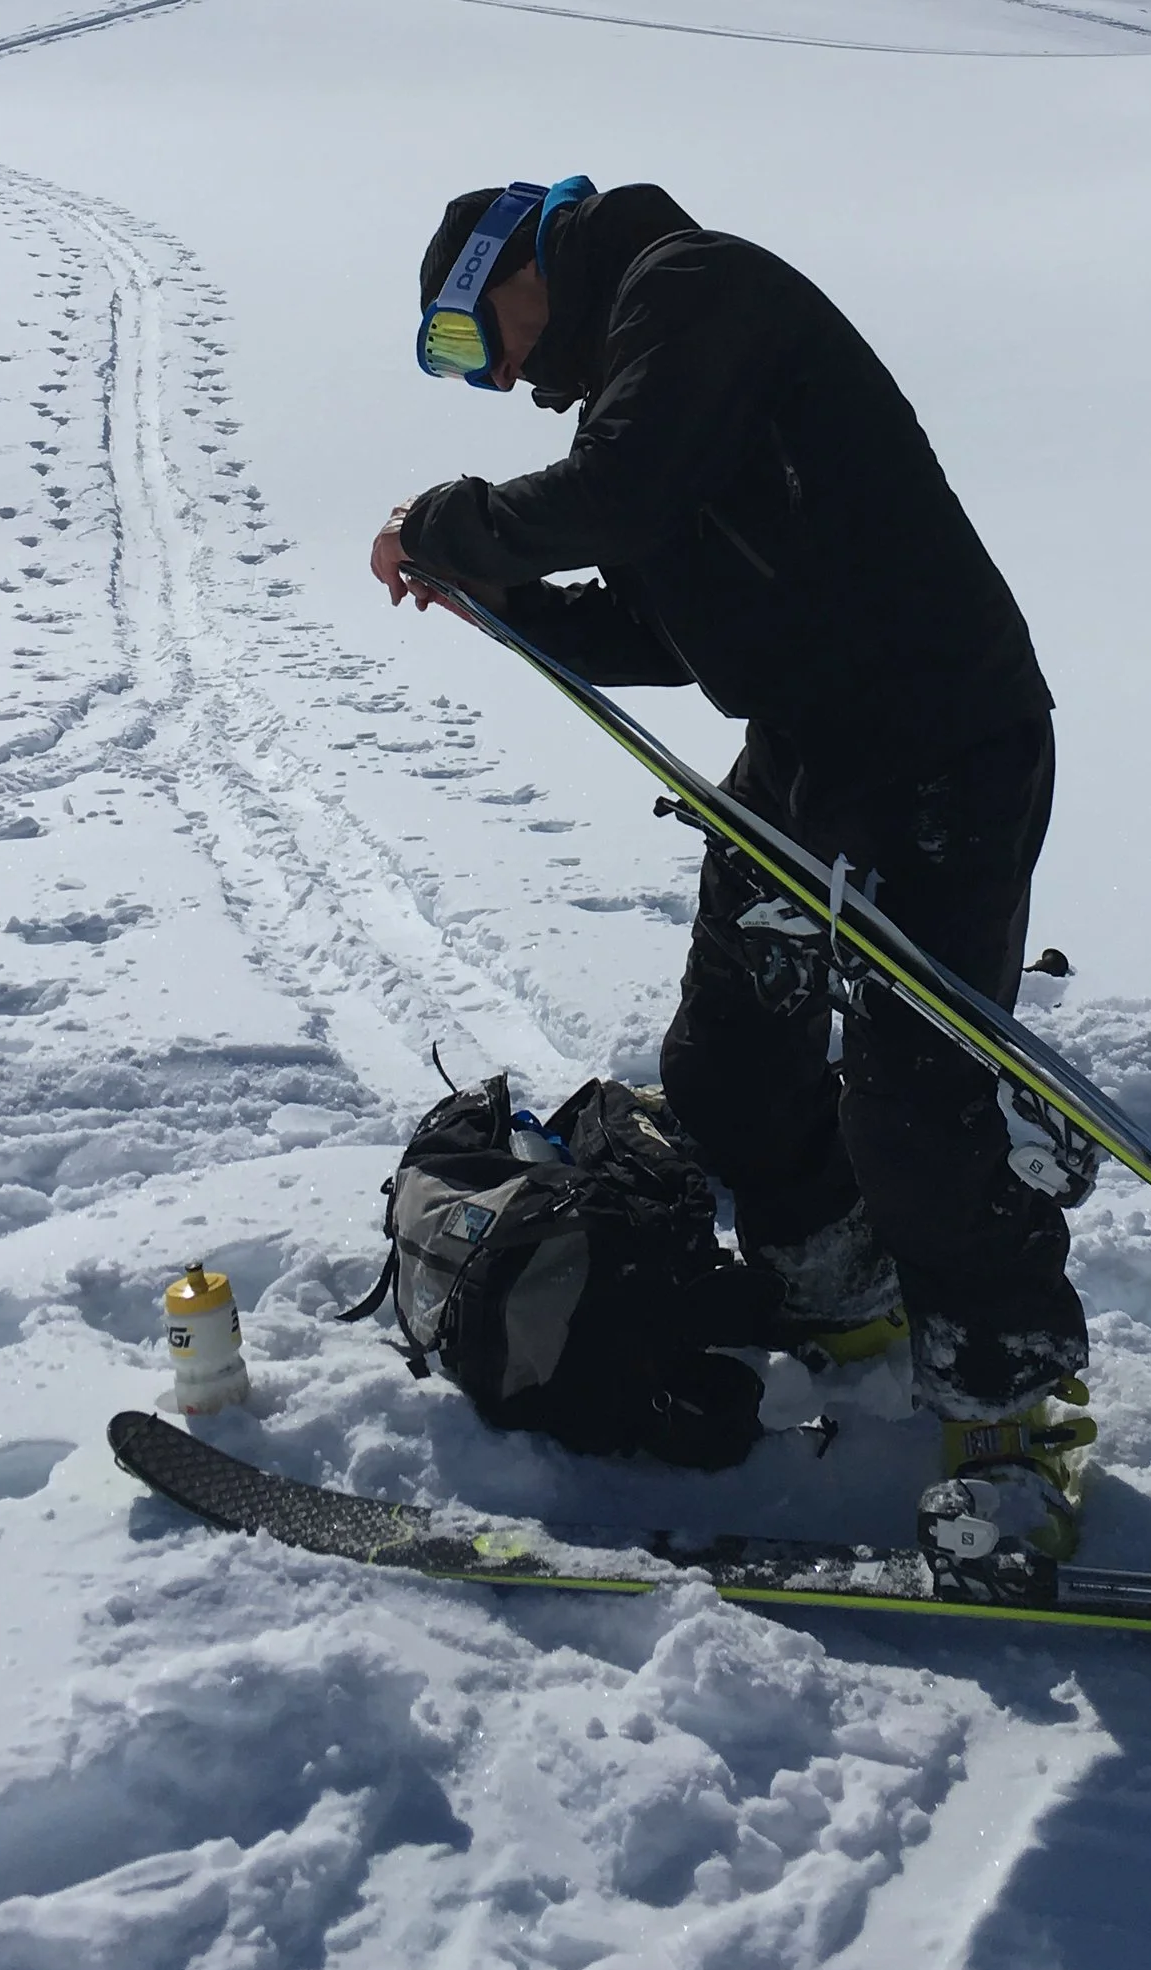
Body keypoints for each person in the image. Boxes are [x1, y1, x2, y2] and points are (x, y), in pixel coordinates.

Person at [369, 174, 1094, 1553]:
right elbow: (661, 630)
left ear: (521, 260)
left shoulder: (696, 290)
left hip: (945, 741)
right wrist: (505, 600)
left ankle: (1019, 1411)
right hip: (808, 753)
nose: (496, 376)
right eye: (461, 369)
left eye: (472, 338)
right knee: (727, 1065)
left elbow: (615, 492)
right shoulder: (640, 387)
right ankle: (846, 1296)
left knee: (914, 1108)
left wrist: (454, 521)